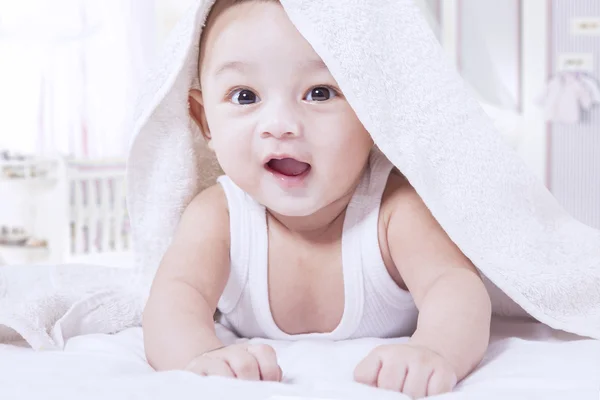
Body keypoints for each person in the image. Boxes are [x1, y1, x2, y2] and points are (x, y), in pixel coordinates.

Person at [142, 0, 492, 397]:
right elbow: (174, 299)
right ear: (205, 120)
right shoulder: (218, 216)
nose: (281, 126)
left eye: (320, 92)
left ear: (373, 110)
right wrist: (198, 356)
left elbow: (456, 287)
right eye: (244, 96)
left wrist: (434, 349)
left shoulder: (394, 211)